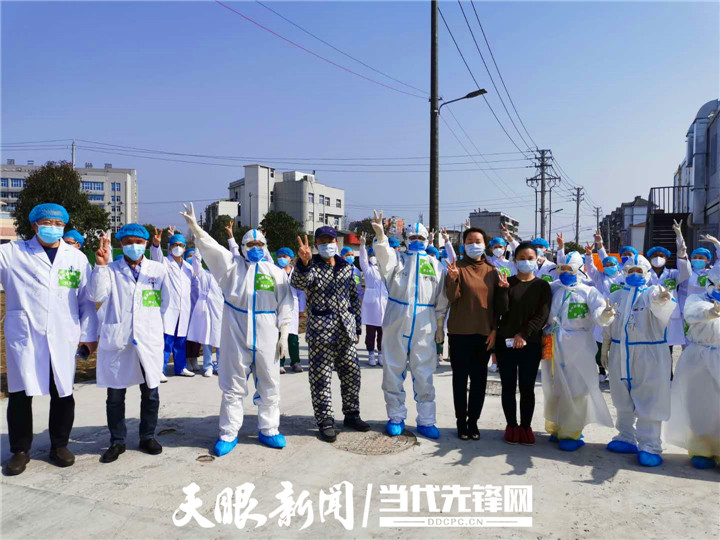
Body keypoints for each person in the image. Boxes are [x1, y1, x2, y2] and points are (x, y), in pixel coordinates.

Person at [180, 204, 293, 453]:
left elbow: (286, 302)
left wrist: (284, 333)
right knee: (232, 386)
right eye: (250, 245)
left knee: (270, 383)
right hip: (235, 331)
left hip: (266, 332)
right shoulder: (231, 268)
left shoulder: (275, 273)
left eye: (260, 245)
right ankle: (228, 433)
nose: (255, 248)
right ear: (242, 247)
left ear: (266, 247)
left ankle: (269, 429)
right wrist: (196, 229)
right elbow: (212, 248)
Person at [1, 203, 98, 475]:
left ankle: (59, 445)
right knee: (20, 394)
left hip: (63, 335)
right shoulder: (11, 253)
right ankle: (20, 450)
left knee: (63, 392)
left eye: (58, 224)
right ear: (34, 225)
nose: (52, 228)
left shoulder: (76, 258)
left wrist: (89, 336)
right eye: (46, 223)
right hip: (25, 336)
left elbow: (86, 302)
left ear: (64, 227)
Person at [88, 225, 167, 462]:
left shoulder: (158, 270)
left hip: (148, 338)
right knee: (115, 396)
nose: (134, 245)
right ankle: (117, 441)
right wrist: (100, 266)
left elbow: (166, 303)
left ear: (146, 243)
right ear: (120, 244)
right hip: (119, 339)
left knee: (151, 393)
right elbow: (96, 295)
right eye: (128, 241)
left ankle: (147, 436)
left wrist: (154, 326)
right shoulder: (111, 269)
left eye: (139, 241)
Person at [371, 211, 448, 439]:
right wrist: (381, 238)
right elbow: (384, 257)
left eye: (420, 238)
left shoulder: (435, 265)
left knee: (424, 372)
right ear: (405, 239)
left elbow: (442, 298)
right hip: (396, 319)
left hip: (425, 322)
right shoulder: (398, 261)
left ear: (427, 240)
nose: (416, 241)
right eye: (412, 237)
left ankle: (426, 420)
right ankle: (396, 417)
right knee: (393, 369)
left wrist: (440, 325)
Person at [291, 226, 370, 442]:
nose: (327, 244)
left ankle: (352, 414)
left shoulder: (346, 267)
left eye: (331, 240)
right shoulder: (312, 266)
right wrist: (304, 263)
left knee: (352, 374)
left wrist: (357, 327)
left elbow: (354, 298)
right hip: (321, 333)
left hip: (345, 331)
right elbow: (298, 283)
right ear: (316, 245)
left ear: (337, 242)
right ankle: (325, 420)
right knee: (321, 378)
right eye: (323, 241)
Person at [599, 254, 676, 467]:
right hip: (620, 352)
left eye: (639, 271)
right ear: (624, 272)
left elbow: (662, 304)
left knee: (649, 397)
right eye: (630, 271)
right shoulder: (616, 295)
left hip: (649, 354)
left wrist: (662, 300)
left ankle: (650, 445)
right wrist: (605, 346)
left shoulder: (651, 292)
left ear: (647, 273)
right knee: (621, 395)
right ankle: (626, 437)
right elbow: (607, 322)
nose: (634, 274)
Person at [542, 251, 614, 451]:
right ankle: (556, 425)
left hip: (578, 344)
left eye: (570, 269)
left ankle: (571, 431)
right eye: (562, 268)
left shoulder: (588, 292)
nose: (565, 272)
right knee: (554, 386)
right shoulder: (552, 288)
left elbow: (599, 312)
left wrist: (605, 314)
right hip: (552, 342)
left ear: (579, 269)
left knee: (576, 388)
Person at [494, 241, 552, 445]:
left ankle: (526, 426)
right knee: (508, 386)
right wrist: (502, 291)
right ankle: (511, 425)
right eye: (521, 258)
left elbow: (542, 315)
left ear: (537, 260)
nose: (526, 262)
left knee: (527, 387)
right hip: (505, 344)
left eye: (530, 258)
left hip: (531, 343)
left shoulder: (542, 286)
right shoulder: (507, 282)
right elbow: (500, 312)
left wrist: (523, 335)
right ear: (514, 260)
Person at [445, 227, 499, 440]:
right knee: (459, 379)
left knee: (479, 381)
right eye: (469, 241)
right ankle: (461, 422)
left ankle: (473, 421)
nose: (474, 245)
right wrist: (453, 279)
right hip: (459, 333)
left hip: (483, 334)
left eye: (478, 241)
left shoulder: (492, 271)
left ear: (484, 244)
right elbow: (451, 297)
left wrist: (494, 330)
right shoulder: (456, 267)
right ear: (463, 245)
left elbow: (496, 305)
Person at [665, 264, 720, 469]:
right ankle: (702, 449)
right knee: (700, 404)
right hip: (699, 358)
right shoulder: (696, 299)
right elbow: (692, 312)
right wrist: (711, 311)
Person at [150, 227, 195, 380]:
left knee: (181, 340)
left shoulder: (188, 267)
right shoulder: (165, 262)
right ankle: (160, 370)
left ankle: (181, 367)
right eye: (175, 245)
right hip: (168, 308)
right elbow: (156, 257)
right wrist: (156, 245)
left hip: (184, 309)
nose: (178, 247)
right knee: (166, 340)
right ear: (169, 247)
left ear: (185, 248)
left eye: (181, 245)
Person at [584, 230, 625, 382]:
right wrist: (589, 255)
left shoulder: (623, 277)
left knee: (616, 344)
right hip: (602, 314)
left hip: (620, 314)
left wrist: (600, 244)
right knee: (599, 344)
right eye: (606, 265)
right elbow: (591, 268)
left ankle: (616, 371)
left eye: (611, 264)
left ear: (617, 265)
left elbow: (604, 256)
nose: (608, 266)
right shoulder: (600, 277)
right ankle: (602, 371)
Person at [646, 220, 691, 356]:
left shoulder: (673, 274)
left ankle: (668, 370)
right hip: (650, 314)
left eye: (661, 256)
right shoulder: (645, 275)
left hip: (669, 315)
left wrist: (680, 239)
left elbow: (686, 272)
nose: (658, 258)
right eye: (654, 256)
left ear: (666, 258)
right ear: (649, 259)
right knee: (651, 349)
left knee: (667, 350)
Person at [186, 248, 223, 377]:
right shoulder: (205, 274)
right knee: (206, 339)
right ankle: (207, 366)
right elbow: (196, 263)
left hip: (220, 310)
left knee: (220, 339)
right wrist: (198, 246)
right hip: (205, 309)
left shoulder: (224, 277)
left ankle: (220, 366)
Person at [358, 234, 388, 367]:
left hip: (383, 303)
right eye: (371, 254)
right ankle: (371, 353)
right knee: (370, 332)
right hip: (371, 304)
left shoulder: (384, 269)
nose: (373, 257)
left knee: (382, 332)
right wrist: (362, 246)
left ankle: (381, 353)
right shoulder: (368, 269)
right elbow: (363, 260)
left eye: (375, 254)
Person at [276, 247, 305, 374]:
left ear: (290, 258)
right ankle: (279, 363)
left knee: (293, 337)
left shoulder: (296, 272)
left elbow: (301, 292)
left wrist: (301, 310)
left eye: (284, 256)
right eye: (279, 256)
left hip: (293, 307)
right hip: (278, 306)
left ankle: (295, 362)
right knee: (279, 336)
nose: (282, 259)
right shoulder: (275, 271)